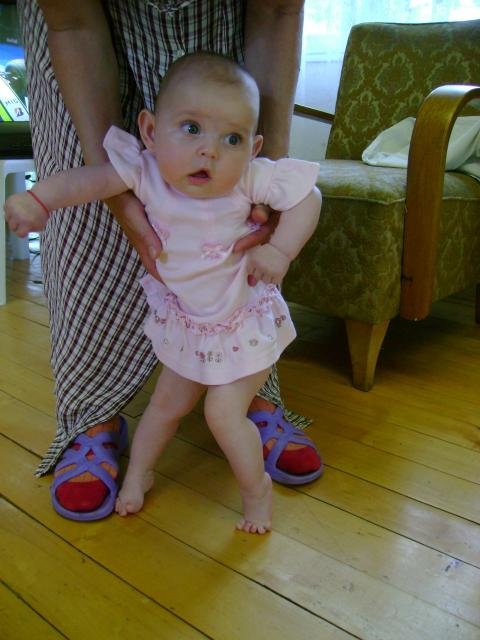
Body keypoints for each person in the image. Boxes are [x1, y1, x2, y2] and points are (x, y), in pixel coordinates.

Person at [16, 0, 323, 522]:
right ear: (151, 131)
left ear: (253, 147)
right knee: (164, 406)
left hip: (242, 327)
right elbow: (85, 181)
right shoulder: (145, 171)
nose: (210, 151)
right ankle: (139, 473)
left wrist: (281, 249)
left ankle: (256, 494)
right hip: (188, 324)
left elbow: (307, 197)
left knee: (222, 413)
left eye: (231, 138)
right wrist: (38, 200)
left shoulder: (249, 178)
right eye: (191, 129)